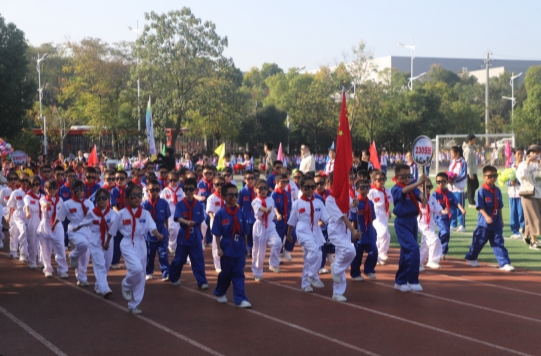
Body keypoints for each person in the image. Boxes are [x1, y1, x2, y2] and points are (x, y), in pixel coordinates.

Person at [109, 183, 163, 314]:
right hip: (127, 243)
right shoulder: (121, 214)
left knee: (141, 274)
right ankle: (126, 284)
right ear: (127, 198)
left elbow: (152, 227)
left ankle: (134, 305)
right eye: (134, 196)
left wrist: (157, 234)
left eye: (140, 195)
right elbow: (113, 231)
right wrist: (106, 243)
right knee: (136, 269)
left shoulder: (145, 213)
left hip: (141, 243)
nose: (137, 198)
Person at [464, 166, 514, 271]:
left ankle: (504, 263)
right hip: (484, 222)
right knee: (479, 241)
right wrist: (486, 217)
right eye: (490, 176)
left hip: (496, 220)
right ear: (484, 177)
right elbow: (480, 207)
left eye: (495, 176)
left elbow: (499, 207)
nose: (492, 178)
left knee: (498, 242)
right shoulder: (481, 191)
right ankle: (471, 257)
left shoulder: (497, 191)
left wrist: (501, 220)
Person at [287, 176, 330, 293]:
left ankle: (305, 283)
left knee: (312, 256)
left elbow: (326, 217)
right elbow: (292, 221)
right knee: (315, 251)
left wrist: (338, 220)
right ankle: (312, 275)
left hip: (315, 230)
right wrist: (289, 234)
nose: (310, 189)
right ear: (301, 187)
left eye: (312, 187)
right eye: (307, 187)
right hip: (302, 229)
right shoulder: (297, 203)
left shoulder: (319, 202)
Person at [212, 183, 252, 308]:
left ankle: (240, 299)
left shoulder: (240, 213)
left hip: (239, 246)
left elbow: (244, 232)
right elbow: (217, 233)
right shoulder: (220, 214)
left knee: (238, 273)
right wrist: (218, 248)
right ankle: (220, 292)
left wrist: (246, 246)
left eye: (236, 195)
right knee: (226, 273)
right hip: (227, 247)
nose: (234, 197)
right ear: (224, 196)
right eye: (231, 195)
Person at [73, 188, 116, 297]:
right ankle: (105, 288)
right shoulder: (92, 212)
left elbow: (113, 228)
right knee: (99, 264)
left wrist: (107, 241)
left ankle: (98, 285)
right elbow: (85, 221)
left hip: (108, 239)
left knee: (106, 264)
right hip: (95, 239)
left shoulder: (112, 213)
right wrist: (77, 228)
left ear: (108, 199)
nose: (101, 201)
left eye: (104, 198)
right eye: (98, 198)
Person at [392, 164, 427, 292]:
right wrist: (418, 182)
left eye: (409, 175)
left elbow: (419, 194)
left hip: (413, 221)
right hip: (402, 222)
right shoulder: (396, 188)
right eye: (404, 176)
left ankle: (401, 281)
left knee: (406, 252)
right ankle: (412, 279)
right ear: (396, 177)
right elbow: (404, 190)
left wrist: (423, 198)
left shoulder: (413, 187)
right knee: (413, 249)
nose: (407, 178)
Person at [324, 173, 359, 302]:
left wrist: (355, 203)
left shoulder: (347, 196)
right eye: (337, 183)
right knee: (350, 251)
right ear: (330, 184)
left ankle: (337, 291)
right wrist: (354, 230)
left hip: (345, 232)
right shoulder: (330, 199)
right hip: (336, 231)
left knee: (342, 257)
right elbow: (342, 217)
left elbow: (352, 211)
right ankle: (336, 268)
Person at [169, 178, 208, 289]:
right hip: (184, 234)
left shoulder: (199, 205)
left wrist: (201, 236)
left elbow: (200, 221)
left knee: (198, 259)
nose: (189, 192)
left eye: (191, 189)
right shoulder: (180, 204)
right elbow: (177, 217)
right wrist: (187, 222)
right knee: (179, 259)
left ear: (195, 190)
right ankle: (173, 276)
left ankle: (202, 281)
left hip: (195, 234)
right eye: (186, 189)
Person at [58, 180, 94, 287]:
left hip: (88, 230)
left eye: (81, 189)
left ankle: (82, 278)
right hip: (75, 229)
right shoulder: (67, 204)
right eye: (76, 189)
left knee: (85, 255)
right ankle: (73, 255)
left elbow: (93, 216)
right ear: (72, 191)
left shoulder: (89, 203)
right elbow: (60, 217)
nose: (79, 192)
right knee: (83, 245)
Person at [37, 179, 69, 279]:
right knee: (45, 249)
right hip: (45, 225)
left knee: (60, 248)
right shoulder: (43, 199)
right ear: (45, 189)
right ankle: (48, 269)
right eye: (49, 188)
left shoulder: (61, 200)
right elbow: (42, 204)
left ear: (57, 189)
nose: (52, 190)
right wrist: (47, 204)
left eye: (54, 188)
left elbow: (62, 214)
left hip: (57, 225)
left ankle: (62, 269)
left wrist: (55, 224)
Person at [251, 179, 282, 280]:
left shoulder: (270, 200)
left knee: (277, 242)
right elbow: (259, 208)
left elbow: (272, 210)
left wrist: (275, 215)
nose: (263, 191)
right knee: (259, 252)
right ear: (256, 189)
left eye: (265, 188)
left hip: (270, 226)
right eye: (260, 188)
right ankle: (257, 273)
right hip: (259, 226)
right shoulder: (255, 201)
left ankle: (273, 264)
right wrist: (266, 210)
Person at [142, 180, 171, 281]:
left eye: (157, 190)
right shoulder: (145, 204)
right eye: (152, 190)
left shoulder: (164, 203)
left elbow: (167, 217)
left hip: (161, 231)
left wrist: (167, 229)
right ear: (147, 191)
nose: (154, 192)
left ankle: (166, 272)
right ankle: (148, 271)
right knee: (150, 254)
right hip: (149, 233)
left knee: (163, 254)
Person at [349, 180, 378, 281]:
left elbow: (372, 218)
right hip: (359, 230)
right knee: (357, 254)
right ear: (357, 189)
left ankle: (369, 269)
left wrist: (372, 231)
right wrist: (354, 232)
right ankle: (355, 273)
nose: (365, 189)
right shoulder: (355, 203)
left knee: (373, 251)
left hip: (369, 230)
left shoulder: (370, 203)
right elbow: (352, 218)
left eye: (367, 187)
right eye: (362, 187)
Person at [433, 172, 466, 260]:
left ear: (447, 182)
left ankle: (442, 250)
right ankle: (441, 250)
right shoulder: (435, 194)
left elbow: (456, 202)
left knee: (445, 233)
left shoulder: (449, 193)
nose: (441, 184)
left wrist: (461, 209)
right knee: (445, 232)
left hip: (448, 216)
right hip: (439, 216)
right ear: (436, 182)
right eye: (439, 182)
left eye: (443, 181)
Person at [516, 145, 541, 250]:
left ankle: (526, 234)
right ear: (528, 154)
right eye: (532, 152)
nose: (535, 154)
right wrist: (527, 162)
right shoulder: (523, 164)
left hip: (539, 193)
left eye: (537, 152)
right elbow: (521, 176)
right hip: (528, 193)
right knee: (534, 217)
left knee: (531, 217)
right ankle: (534, 241)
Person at [368, 170, 393, 265]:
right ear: (374, 181)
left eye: (383, 179)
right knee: (383, 233)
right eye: (379, 180)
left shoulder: (387, 191)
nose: (382, 181)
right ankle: (381, 253)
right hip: (375, 214)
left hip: (384, 214)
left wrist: (388, 211)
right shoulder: (371, 192)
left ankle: (377, 256)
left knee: (382, 235)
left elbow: (388, 202)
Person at [418, 179, 444, 270]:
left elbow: (437, 208)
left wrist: (442, 211)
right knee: (434, 239)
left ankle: (418, 262)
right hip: (421, 221)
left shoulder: (431, 198)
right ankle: (432, 260)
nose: (428, 189)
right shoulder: (417, 197)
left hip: (430, 221)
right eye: (425, 187)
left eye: (430, 187)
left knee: (425, 243)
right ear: (419, 187)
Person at [7, 173, 30, 261]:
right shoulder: (16, 192)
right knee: (21, 231)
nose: (25, 182)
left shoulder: (31, 192)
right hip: (18, 215)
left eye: (27, 180)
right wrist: (9, 217)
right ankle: (23, 253)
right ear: (19, 182)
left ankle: (32, 253)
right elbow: (11, 206)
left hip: (29, 215)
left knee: (29, 234)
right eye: (23, 181)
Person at [314, 174, 334, 274]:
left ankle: (329, 253)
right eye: (316, 184)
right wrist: (317, 221)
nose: (319, 186)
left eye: (321, 183)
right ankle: (320, 266)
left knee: (333, 241)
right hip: (319, 225)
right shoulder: (313, 196)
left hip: (331, 222)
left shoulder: (330, 193)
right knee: (321, 245)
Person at [160, 171, 184, 255]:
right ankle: (171, 246)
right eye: (171, 180)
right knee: (172, 229)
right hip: (169, 213)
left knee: (178, 230)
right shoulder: (165, 191)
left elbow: (184, 201)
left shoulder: (180, 190)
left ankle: (175, 246)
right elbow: (162, 202)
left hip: (178, 212)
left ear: (178, 180)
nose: (173, 182)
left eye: (175, 180)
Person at [272, 173, 293, 261]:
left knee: (293, 234)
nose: (284, 184)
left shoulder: (288, 194)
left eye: (286, 182)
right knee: (279, 238)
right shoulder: (274, 194)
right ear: (276, 182)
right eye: (282, 182)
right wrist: (277, 214)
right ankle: (278, 255)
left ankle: (286, 250)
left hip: (287, 218)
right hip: (279, 219)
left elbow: (290, 206)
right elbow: (274, 206)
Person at [207, 176, 226, 272]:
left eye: (222, 184)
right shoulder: (212, 198)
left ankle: (225, 263)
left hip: (226, 223)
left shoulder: (226, 196)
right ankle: (217, 264)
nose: (219, 186)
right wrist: (215, 221)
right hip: (216, 224)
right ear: (214, 185)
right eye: (217, 184)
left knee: (225, 243)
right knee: (216, 245)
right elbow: (210, 211)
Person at [23, 176, 42, 269]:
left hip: (41, 218)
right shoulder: (28, 196)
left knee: (43, 241)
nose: (35, 187)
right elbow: (27, 205)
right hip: (32, 218)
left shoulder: (42, 196)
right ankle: (32, 261)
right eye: (33, 185)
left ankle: (42, 260)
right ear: (30, 186)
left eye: (37, 184)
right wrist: (27, 212)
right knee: (33, 240)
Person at [448, 145, 468, 232]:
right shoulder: (452, 162)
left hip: (459, 188)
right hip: (451, 188)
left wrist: (454, 180)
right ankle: (453, 224)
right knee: (452, 207)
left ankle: (462, 225)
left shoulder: (463, 162)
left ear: (457, 153)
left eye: (452, 153)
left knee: (460, 207)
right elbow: (449, 173)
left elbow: (464, 175)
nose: (451, 155)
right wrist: (449, 179)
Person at [507, 148, 525, 239]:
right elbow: (505, 178)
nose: (520, 156)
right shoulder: (511, 166)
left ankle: (524, 230)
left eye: (521, 154)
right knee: (513, 213)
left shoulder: (525, 165)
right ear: (514, 155)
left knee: (521, 213)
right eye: (518, 154)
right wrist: (510, 183)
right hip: (512, 193)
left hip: (522, 193)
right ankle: (515, 231)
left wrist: (517, 182)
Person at [237, 170, 256, 256]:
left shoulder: (257, 191)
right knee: (245, 234)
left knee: (253, 235)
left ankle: (252, 250)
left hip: (255, 217)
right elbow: (239, 205)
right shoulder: (242, 191)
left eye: (252, 178)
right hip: (245, 217)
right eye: (248, 178)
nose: (251, 180)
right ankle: (245, 248)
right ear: (244, 180)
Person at [0, 172, 18, 253]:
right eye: (11, 179)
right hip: (8, 212)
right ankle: (13, 250)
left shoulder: (20, 191)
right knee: (13, 227)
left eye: (15, 179)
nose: (13, 181)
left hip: (19, 213)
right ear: (7, 181)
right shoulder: (4, 191)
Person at [464, 134, 479, 207]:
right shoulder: (468, 150)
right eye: (474, 139)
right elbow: (468, 163)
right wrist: (470, 174)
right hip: (470, 172)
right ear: (470, 141)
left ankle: (465, 195)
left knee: (476, 185)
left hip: (473, 170)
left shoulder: (471, 148)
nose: (475, 141)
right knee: (471, 186)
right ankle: (471, 202)